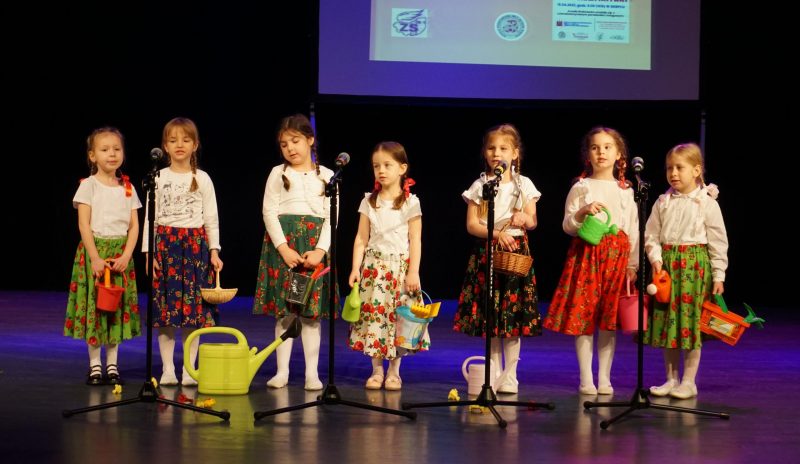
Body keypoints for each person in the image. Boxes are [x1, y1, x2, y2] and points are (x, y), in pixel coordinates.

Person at [543, 126, 638, 395]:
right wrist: (583, 212)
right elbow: (568, 225)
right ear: (588, 154)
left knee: (609, 320)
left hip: (616, 258)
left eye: (607, 147)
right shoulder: (581, 187)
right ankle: (586, 377)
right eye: (595, 147)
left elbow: (633, 228)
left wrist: (632, 263)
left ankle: (604, 377)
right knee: (583, 317)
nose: (601, 152)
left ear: (619, 154)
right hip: (587, 256)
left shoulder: (626, 191)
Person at [452, 123, 542, 395]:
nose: (496, 153)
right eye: (491, 148)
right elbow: (472, 224)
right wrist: (495, 234)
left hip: (515, 252)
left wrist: (524, 218)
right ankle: (492, 375)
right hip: (488, 254)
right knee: (491, 319)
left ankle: (510, 376)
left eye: (503, 148)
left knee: (511, 320)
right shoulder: (481, 185)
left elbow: (533, 221)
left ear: (515, 153)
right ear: (485, 152)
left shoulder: (523, 184)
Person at [253, 114, 337, 391]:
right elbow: (268, 212)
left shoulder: (327, 176)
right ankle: (282, 371)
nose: (290, 148)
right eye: (284, 144)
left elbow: (331, 217)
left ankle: (312, 373)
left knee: (311, 315)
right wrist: (283, 248)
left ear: (310, 140)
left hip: (313, 248)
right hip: (285, 249)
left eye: (295, 141)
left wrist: (320, 250)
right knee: (286, 313)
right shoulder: (278, 173)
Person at [642, 143, 728, 400]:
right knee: (668, 324)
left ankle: (689, 381)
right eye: (669, 168)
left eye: (680, 168)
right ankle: (671, 379)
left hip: (694, 269)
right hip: (668, 269)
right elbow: (651, 235)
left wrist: (719, 274)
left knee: (690, 325)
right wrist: (656, 259)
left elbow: (718, 241)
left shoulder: (706, 203)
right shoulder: (662, 202)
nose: (673, 173)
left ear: (696, 170)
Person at [142, 117, 223, 387]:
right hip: (166, 247)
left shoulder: (202, 178)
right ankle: (168, 369)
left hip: (194, 248)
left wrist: (214, 251)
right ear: (165, 146)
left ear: (195, 145)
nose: (179, 145)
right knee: (165, 313)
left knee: (193, 313)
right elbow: (150, 218)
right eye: (173, 140)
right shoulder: (158, 177)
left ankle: (189, 368)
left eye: (186, 140)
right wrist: (149, 252)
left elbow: (211, 218)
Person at [64, 127, 142, 386]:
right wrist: (95, 257)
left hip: (119, 255)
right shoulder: (88, 186)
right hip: (95, 253)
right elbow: (84, 224)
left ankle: (113, 365)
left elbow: (134, 226)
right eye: (105, 149)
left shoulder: (128, 187)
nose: (112, 154)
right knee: (97, 309)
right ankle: (95, 364)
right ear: (92, 155)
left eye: (117, 149)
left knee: (115, 309)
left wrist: (127, 255)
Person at [347, 141, 423, 391]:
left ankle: (394, 371)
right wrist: (355, 268)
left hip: (399, 269)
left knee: (398, 321)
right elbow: (361, 238)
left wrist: (413, 271)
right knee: (374, 319)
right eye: (376, 166)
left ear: (402, 168)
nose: (381, 170)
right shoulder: (369, 201)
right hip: (374, 270)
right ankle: (377, 369)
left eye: (387, 165)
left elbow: (415, 240)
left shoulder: (411, 203)